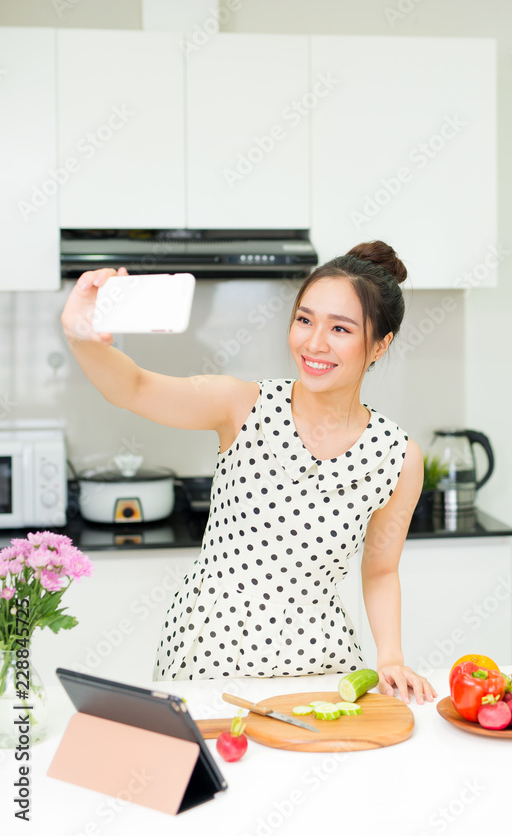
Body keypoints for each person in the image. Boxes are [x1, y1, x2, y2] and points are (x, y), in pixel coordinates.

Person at [61, 240, 437, 705]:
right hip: (206, 662)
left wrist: (391, 658)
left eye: (340, 328)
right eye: (304, 319)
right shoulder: (241, 406)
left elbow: (380, 571)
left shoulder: (397, 456)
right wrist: (80, 334)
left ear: (380, 345)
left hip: (319, 667)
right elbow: (133, 387)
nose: (314, 343)